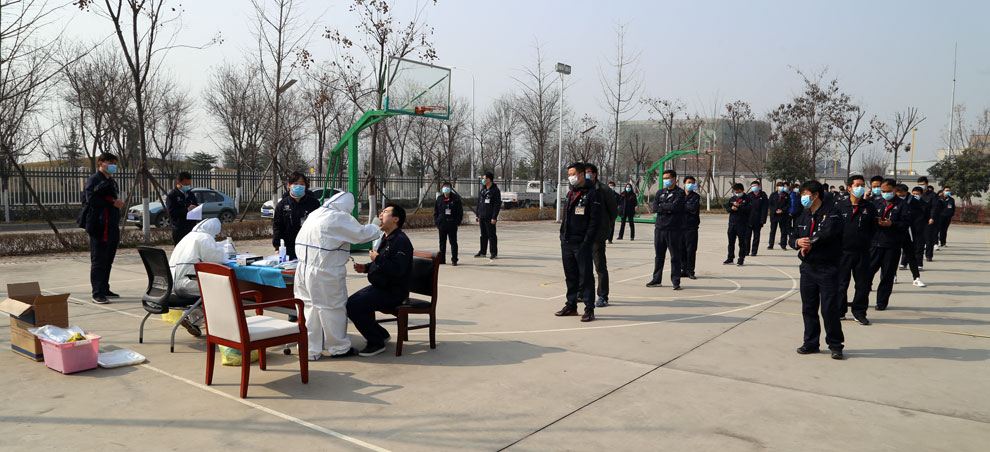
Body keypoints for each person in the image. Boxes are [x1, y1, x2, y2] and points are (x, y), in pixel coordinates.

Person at [296, 191, 381, 360]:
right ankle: (338, 348)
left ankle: (310, 349)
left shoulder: (316, 213)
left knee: (309, 308)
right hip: (325, 271)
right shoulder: (339, 217)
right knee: (332, 309)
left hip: (303, 269)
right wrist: (376, 225)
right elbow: (362, 235)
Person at [347, 204, 414, 357]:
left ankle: (376, 342)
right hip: (381, 287)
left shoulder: (401, 241)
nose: (380, 215)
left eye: (385, 212)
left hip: (393, 291)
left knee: (353, 306)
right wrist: (366, 267)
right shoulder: (387, 238)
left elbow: (397, 269)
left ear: (396, 219)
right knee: (350, 302)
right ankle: (381, 334)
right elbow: (383, 262)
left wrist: (377, 258)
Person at [790, 180, 845, 359]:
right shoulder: (803, 215)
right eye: (801, 195)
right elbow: (793, 237)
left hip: (827, 267)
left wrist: (809, 244)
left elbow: (827, 233)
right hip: (808, 268)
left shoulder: (832, 213)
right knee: (809, 307)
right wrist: (798, 242)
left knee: (829, 309)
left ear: (815, 195)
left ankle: (835, 345)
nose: (803, 198)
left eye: (805, 195)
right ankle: (811, 342)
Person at [554, 162, 601, 322]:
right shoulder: (571, 193)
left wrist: (587, 242)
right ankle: (571, 305)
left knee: (585, 276)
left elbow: (595, 221)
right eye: (569, 174)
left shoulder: (592, 194)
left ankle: (589, 309)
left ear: (581, 175)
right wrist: (562, 235)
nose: (571, 177)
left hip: (582, 243)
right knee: (570, 275)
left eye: (573, 174)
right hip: (567, 241)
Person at [80, 152, 124, 304]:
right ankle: (97, 292)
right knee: (98, 260)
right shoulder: (93, 180)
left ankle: (105, 288)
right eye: (110, 163)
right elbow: (90, 199)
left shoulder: (112, 181)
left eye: (115, 163)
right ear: (101, 163)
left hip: (111, 224)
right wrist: (112, 203)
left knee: (108, 259)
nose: (113, 166)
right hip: (99, 225)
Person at [169, 218, 225, 336]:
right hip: (189, 284)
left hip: (173, 284)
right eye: (216, 234)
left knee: (206, 292)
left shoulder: (187, 237)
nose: (215, 236)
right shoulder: (205, 238)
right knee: (223, 292)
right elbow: (216, 260)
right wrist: (223, 249)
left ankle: (193, 321)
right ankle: (225, 328)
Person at [836, 175, 877, 326]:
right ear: (849, 188)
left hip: (862, 252)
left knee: (862, 285)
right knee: (841, 284)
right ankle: (839, 311)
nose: (860, 188)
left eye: (862, 185)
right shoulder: (839, 206)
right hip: (843, 252)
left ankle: (859, 312)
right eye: (857, 185)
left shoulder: (869, 207)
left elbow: (874, 229)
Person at [868, 179, 909, 311]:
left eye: (888, 191)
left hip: (892, 246)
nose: (885, 193)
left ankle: (881, 302)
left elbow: (905, 224)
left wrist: (892, 224)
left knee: (887, 275)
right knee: (866, 274)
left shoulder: (902, 205)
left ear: (895, 190)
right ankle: (861, 300)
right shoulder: (876, 203)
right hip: (875, 244)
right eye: (883, 191)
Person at [646, 169, 685, 289]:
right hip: (659, 228)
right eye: (664, 178)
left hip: (673, 228)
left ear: (674, 179)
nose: (665, 180)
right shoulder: (660, 192)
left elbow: (675, 207)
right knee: (659, 256)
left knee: (674, 256)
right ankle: (656, 279)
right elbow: (654, 207)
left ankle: (676, 281)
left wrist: (662, 206)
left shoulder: (680, 193)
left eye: (668, 178)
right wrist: (666, 208)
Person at [586, 164, 618, 307]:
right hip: (582, 234)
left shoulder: (604, 190)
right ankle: (583, 293)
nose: (584, 175)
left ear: (594, 174)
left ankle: (603, 296)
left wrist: (604, 227)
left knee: (599, 266)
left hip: (597, 234)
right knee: (583, 265)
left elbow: (613, 212)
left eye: (587, 172)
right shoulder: (581, 189)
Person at [272, 171, 321, 261]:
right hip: (288, 247)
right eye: (295, 183)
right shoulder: (282, 205)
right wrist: (277, 246)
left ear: (306, 186)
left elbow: (320, 225)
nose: (298, 186)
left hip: (309, 246)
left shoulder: (314, 204)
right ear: (289, 185)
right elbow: (277, 226)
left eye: (302, 184)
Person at [900, 186, 930, 275]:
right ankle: (904, 262)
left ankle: (919, 263)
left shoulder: (923, 204)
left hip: (918, 226)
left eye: (917, 194)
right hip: (906, 226)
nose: (915, 195)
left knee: (919, 245)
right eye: (914, 193)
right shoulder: (904, 202)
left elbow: (926, 215)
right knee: (906, 244)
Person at [165, 171, 199, 245]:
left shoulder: (190, 194)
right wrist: (187, 210)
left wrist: (196, 209)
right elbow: (172, 212)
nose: (187, 186)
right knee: (180, 249)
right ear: (179, 182)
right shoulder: (172, 196)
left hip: (191, 227)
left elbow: (195, 205)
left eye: (189, 184)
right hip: (179, 228)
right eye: (185, 184)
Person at [434, 181, 463, 266]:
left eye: (447, 187)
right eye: (444, 187)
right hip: (442, 224)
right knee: (442, 243)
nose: (446, 189)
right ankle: (442, 259)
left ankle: (454, 259)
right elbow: (436, 212)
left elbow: (459, 212)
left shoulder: (456, 199)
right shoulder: (439, 198)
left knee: (453, 242)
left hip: (452, 224)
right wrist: (437, 221)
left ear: (451, 189)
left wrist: (457, 222)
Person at [474, 171, 501, 259]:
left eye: (484, 178)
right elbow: (479, 203)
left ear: (489, 179)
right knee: (483, 235)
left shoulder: (495, 191)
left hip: (490, 217)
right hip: (482, 215)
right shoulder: (483, 190)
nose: (483, 180)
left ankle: (493, 253)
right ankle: (482, 252)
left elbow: (497, 205)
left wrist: (494, 217)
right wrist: (477, 214)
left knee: (491, 235)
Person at [724, 183, 752, 266]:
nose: (737, 193)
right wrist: (732, 208)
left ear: (742, 190)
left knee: (742, 243)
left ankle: (741, 258)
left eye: (738, 191)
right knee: (731, 242)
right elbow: (727, 208)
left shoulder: (748, 199)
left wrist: (739, 206)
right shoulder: (732, 198)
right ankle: (730, 258)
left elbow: (748, 210)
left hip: (742, 224)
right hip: (732, 224)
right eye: (735, 192)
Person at [680, 176, 701, 280]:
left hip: (691, 227)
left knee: (691, 250)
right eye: (688, 182)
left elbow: (693, 209)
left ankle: (690, 271)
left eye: (692, 183)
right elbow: (674, 207)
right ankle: (683, 269)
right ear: (684, 184)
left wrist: (681, 206)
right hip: (679, 226)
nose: (690, 185)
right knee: (681, 249)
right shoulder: (679, 195)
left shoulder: (696, 196)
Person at [918, 177, 938, 261]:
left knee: (928, 238)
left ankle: (929, 255)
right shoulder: (918, 194)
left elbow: (934, 207)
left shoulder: (933, 195)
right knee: (919, 239)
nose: (921, 186)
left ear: (926, 184)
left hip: (928, 219)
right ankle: (919, 255)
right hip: (918, 220)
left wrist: (932, 217)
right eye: (919, 184)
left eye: (922, 184)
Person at [746, 180, 768, 256]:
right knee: (747, 236)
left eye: (755, 186)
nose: (753, 187)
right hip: (749, 219)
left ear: (759, 186)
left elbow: (764, 209)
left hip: (758, 220)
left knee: (756, 237)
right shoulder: (749, 196)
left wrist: (763, 220)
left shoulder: (763, 196)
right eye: (752, 186)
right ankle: (746, 251)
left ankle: (754, 251)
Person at [768, 181, 791, 250]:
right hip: (774, 215)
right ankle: (771, 244)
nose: (781, 188)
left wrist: (782, 210)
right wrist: (775, 210)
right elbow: (770, 204)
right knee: (773, 230)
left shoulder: (786, 195)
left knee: (783, 231)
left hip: (783, 215)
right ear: (777, 187)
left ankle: (783, 245)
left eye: (782, 186)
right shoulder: (773, 195)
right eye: (779, 186)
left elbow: (788, 204)